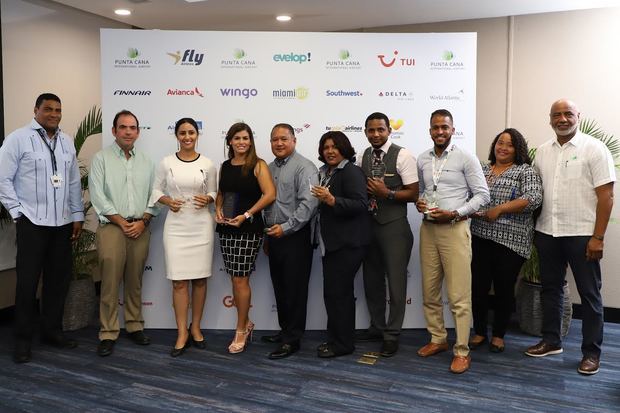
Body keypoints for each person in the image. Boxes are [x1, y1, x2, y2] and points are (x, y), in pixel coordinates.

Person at [525, 99, 615, 375]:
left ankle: (591, 353)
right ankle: (552, 340)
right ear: (550, 119)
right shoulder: (541, 151)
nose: (562, 119)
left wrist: (598, 237)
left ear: (578, 116)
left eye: (567, 114)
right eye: (556, 115)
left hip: (582, 235)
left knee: (589, 295)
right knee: (551, 289)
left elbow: (606, 196)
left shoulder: (594, 149)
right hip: (548, 233)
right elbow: (536, 194)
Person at [0, 93, 84, 364]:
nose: (54, 114)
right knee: (26, 284)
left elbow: (72, 182)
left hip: (61, 224)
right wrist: (17, 213)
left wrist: (77, 215)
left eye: (58, 109)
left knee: (57, 281)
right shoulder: (18, 139)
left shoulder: (67, 141)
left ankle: (51, 331)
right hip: (32, 223)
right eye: (48, 109)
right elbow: (2, 178)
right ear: (36, 110)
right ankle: (23, 340)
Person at [415, 109, 489, 374]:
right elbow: (424, 190)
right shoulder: (423, 159)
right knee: (429, 291)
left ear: (452, 129)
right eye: (435, 127)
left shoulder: (466, 157)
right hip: (429, 230)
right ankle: (437, 339)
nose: (439, 132)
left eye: (444, 127)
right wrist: (420, 202)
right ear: (430, 130)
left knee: (459, 296)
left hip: (455, 230)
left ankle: (461, 350)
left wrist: (456, 212)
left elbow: (482, 196)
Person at [89, 110, 159, 357]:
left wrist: (144, 220)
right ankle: (108, 332)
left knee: (135, 280)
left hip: (140, 227)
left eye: (132, 128)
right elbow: (98, 196)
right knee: (109, 282)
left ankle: (134, 325)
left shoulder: (148, 162)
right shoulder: (101, 159)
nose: (128, 131)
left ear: (138, 132)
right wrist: (121, 221)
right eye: (123, 127)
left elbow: (156, 195)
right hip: (112, 228)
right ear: (114, 131)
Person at [469, 128, 542, 352]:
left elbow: (533, 199)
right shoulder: (482, 168)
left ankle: (499, 334)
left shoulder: (525, 171)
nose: (503, 147)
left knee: (503, 289)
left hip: (511, 241)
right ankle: (480, 331)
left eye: (509, 144)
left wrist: (499, 209)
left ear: (517, 149)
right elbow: (468, 193)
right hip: (480, 236)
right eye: (500, 142)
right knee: (478, 288)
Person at [150, 118, 217, 357]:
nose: (187, 137)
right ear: (176, 136)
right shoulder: (166, 162)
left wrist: (208, 199)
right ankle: (181, 332)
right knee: (178, 281)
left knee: (199, 280)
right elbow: (156, 191)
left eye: (191, 132)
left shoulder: (208, 164)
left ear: (197, 134)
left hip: (201, 225)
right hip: (176, 226)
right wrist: (168, 201)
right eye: (182, 133)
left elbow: (214, 191)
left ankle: (196, 327)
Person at [357, 112, 419, 357]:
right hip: (367, 226)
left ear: (388, 131)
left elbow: (414, 194)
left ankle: (392, 334)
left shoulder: (403, 155)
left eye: (380, 130)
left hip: (394, 226)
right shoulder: (362, 156)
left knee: (396, 283)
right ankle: (377, 326)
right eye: (371, 130)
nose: (376, 134)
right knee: (371, 281)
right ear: (365, 132)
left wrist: (388, 193)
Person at [215, 122, 276, 354]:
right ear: (229, 141)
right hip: (228, 228)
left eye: (246, 138)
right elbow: (221, 193)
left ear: (251, 141)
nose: (242, 142)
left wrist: (248, 214)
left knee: (241, 280)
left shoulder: (258, 165)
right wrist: (218, 211)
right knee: (235, 279)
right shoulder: (225, 166)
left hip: (248, 228)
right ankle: (247, 323)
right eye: (237, 138)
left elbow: (270, 194)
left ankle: (241, 329)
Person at [311, 131, 372, 358]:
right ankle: (336, 339)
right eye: (326, 147)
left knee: (340, 295)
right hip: (333, 244)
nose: (330, 151)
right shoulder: (326, 173)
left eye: (334, 146)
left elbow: (360, 204)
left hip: (348, 244)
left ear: (344, 148)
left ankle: (343, 344)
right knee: (334, 294)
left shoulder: (351, 171)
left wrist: (332, 200)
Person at [262, 123, 319, 359]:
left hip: (295, 237)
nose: (279, 143)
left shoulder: (304, 167)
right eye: (274, 139)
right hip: (273, 236)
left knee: (295, 291)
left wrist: (285, 229)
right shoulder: (268, 167)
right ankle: (285, 330)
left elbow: (309, 205)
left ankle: (292, 340)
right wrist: (268, 233)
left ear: (294, 140)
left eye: (284, 139)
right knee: (281, 288)